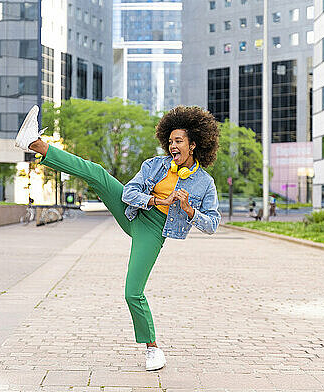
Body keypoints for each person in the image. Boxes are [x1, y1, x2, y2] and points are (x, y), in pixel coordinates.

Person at [15, 105, 221, 371]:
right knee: (97, 173)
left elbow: (212, 224)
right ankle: (35, 144)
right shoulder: (154, 165)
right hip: (134, 211)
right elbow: (129, 194)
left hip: (153, 230)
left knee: (132, 292)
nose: (172, 145)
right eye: (169, 141)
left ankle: (153, 348)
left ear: (193, 145)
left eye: (178, 141)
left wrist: (189, 210)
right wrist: (159, 198)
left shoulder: (204, 183)